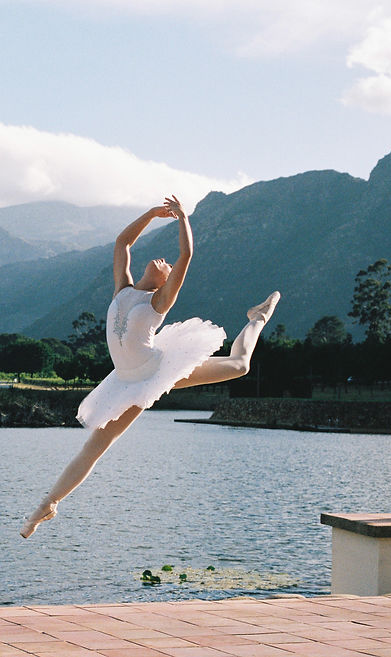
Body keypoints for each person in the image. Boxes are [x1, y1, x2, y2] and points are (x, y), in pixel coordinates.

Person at [20, 196, 280, 538]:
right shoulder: (121, 289)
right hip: (124, 383)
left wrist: (183, 218)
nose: (162, 261)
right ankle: (47, 505)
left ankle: (257, 318)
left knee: (240, 364)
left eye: (167, 266)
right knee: (92, 449)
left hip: (156, 372)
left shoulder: (157, 302)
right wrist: (151, 214)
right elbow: (123, 242)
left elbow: (185, 255)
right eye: (161, 262)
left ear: (164, 281)